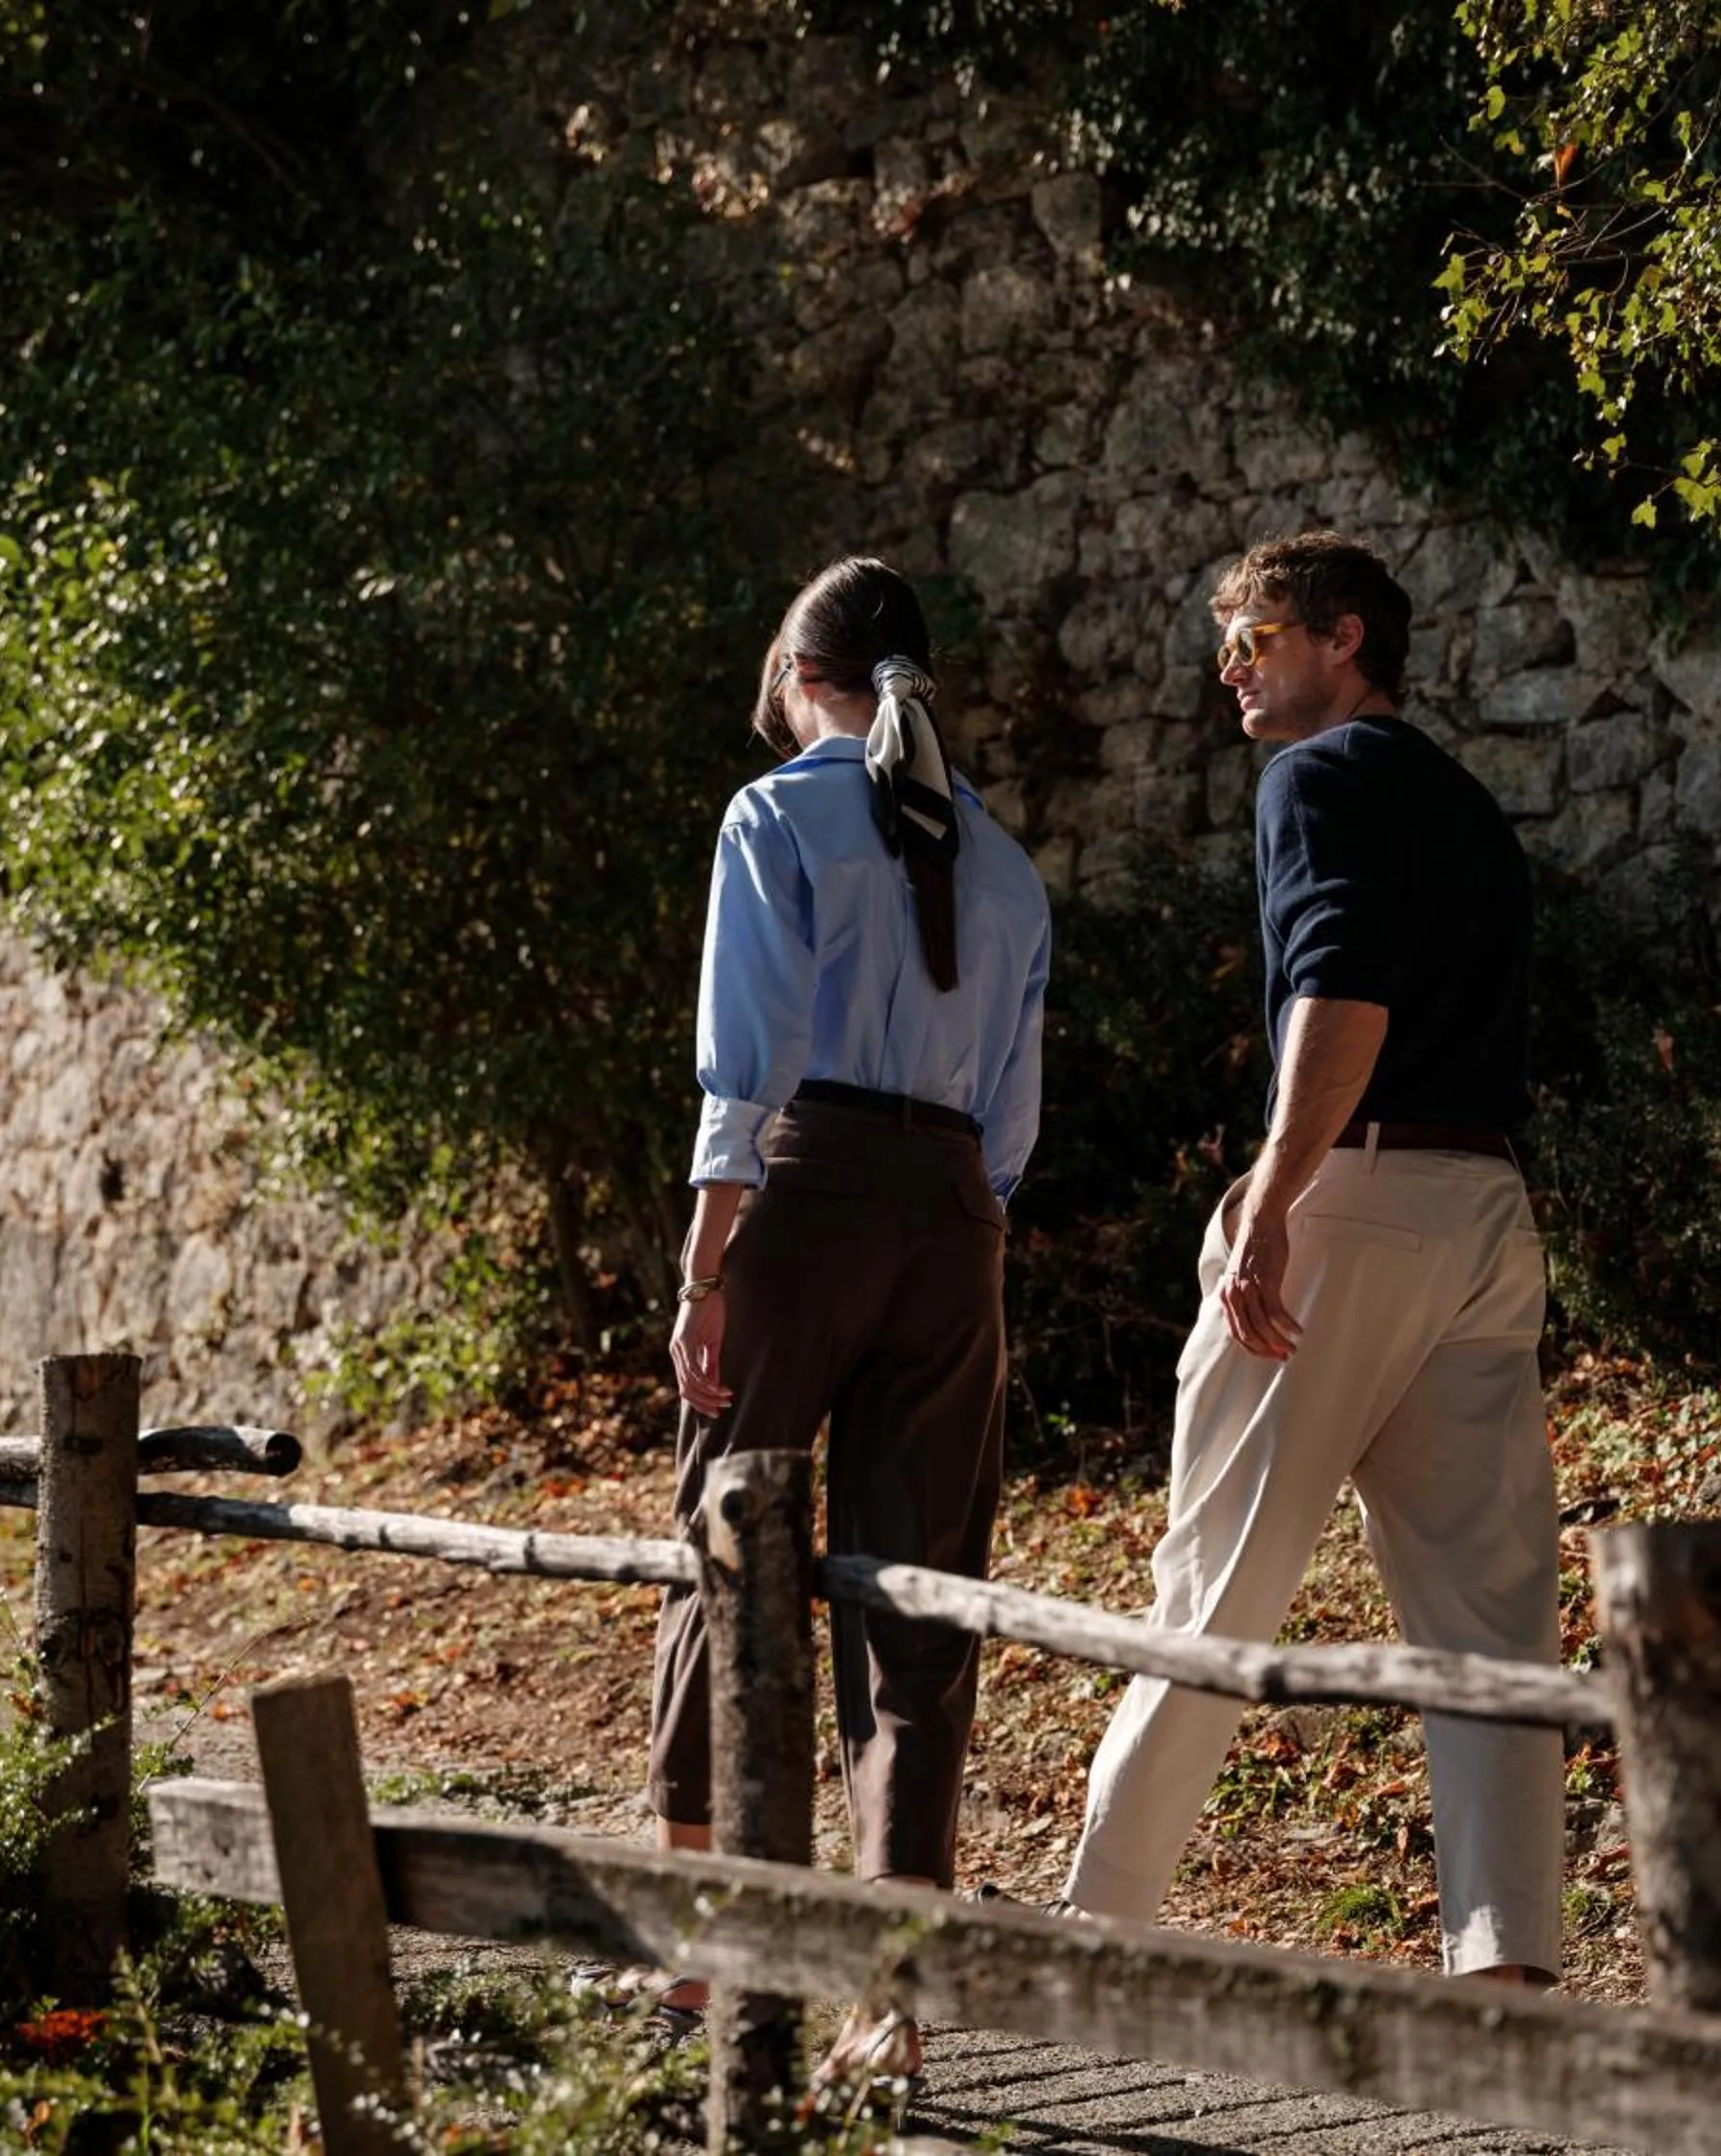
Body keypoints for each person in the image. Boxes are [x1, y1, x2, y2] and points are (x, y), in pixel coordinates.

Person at [1059, 530, 1562, 1984]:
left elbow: (1339, 989)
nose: (1231, 667)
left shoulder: (1318, 776)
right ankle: (1512, 1972)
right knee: (1487, 1619)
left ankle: (1086, 1951)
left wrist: (1272, 1201)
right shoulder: (1470, 808)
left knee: (1216, 1579)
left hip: (1356, 1195)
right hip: (1485, 1215)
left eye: (1258, 636)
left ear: (1347, 638)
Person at [646, 556, 1050, 2076]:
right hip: (955, 1219)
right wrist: (954, 1211)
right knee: (922, 1589)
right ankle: (897, 2000)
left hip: (803, 1191)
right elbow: (1011, 1124)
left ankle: (702, 1957)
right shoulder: (1007, 867)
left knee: (723, 1536)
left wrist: (708, 1259)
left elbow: (744, 1060)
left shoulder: (778, 816)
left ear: (801, 678)